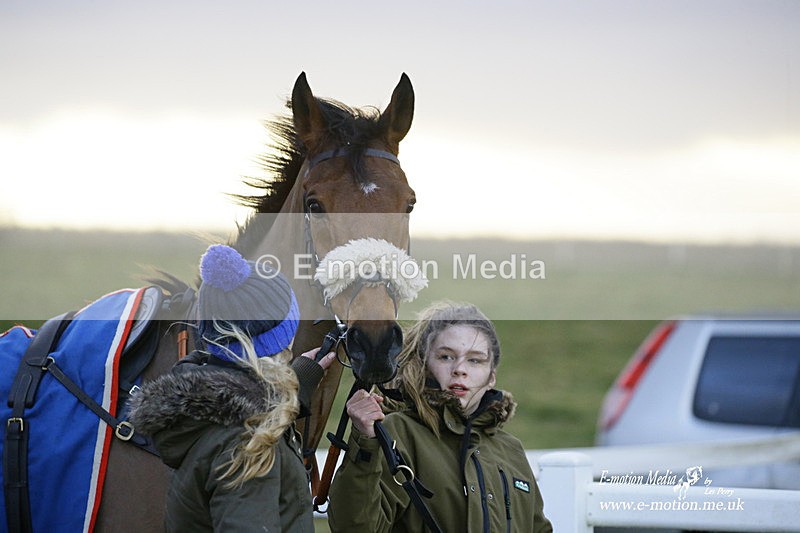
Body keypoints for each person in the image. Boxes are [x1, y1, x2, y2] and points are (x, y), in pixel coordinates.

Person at [128, 244, 335, 532]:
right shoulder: (249, 447)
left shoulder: (206, 411)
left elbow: (238, 404)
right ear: (279, 341)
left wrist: (294, 384)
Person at [328, 301, 552, 533]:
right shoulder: (398, 432)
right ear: (425, 365)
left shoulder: (511, 450)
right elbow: (354, 527)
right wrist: (365, 443)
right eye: (446, 357)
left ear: (491, 376)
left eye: (475, 360)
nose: (460, 369)